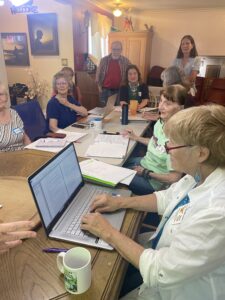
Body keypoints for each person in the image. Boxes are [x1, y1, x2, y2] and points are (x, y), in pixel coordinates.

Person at [81, 104, 225, 300]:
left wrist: (107, 231)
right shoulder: (200, 174)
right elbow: (165, 198)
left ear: (201, 153)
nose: (166, 150)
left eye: (171, 144)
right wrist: (120, 203)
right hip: (164, 252)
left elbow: (161, 272)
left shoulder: (216, 212)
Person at [122, 85, 186, 195]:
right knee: (117, 166)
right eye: (161, 101)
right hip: (145, 163)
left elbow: (174, 178)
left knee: (116, 176)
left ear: (181, 108)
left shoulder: (179, 137)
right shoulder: (161, 122)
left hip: (155, 183)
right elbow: (156, 144)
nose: (160, 107)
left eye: (168, 103)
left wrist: (146, 173)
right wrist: (135, 137)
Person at [96, 41, 131, 106]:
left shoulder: (126, 61)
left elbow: (131, 73)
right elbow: (98, 73)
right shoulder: (104, 60)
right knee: (105, 111)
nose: (116, 51)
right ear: (110, 49)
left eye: (118, 49)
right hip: (105, 90)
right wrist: (99, 87)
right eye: (114, 49)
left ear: (121, 50)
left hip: (120, 90)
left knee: (118, 110)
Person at [0, 83, 31, 152]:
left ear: (7, 97)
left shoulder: (13, 113)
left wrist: (31, 152)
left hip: (23, 155)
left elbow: (24, 136)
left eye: (1, 94)